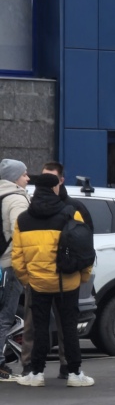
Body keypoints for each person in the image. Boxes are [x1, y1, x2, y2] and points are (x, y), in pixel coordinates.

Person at [12, 172, 94, 387]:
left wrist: (26, 280)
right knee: (69, 327)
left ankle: (36, 373)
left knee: (39, 328)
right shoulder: (70, 213)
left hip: (38, 283)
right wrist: (83, 276)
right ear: (55, 189)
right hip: (67, 281)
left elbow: (17, 257)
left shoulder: (23, 219)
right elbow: (84, 248)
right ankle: (75, 374)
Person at [0, 159, 30, 382]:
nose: (27, 178)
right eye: (24, 174)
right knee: (5, 316)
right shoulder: (16, 198)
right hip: (10, 264)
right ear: (14, 177)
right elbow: (21, 233)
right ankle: (0, 366)